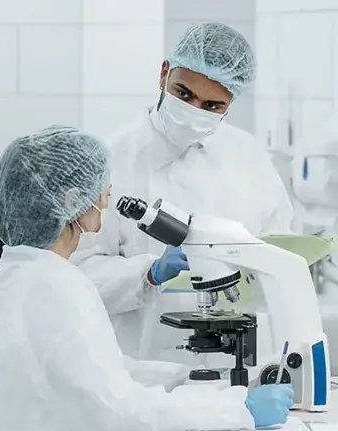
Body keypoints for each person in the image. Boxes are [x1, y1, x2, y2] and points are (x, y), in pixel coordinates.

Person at [0, 126, 293, 431]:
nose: (107, 193)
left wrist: (188, 378)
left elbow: (90, 371)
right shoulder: (57, 286)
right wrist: (237, 410)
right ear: (72, 200)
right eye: (101, 185)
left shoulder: (11, 273)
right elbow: (118, 416)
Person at [72, 22, 294, 363]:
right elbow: (77, 275)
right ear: (164, 74)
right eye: (184, 94)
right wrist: (148, 273)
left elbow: (280, 249)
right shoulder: (110, 160)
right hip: (139, 368)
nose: (193, 113)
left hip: (236, 366)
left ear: (230, 103)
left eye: (212, 106)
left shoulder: (249, 158)